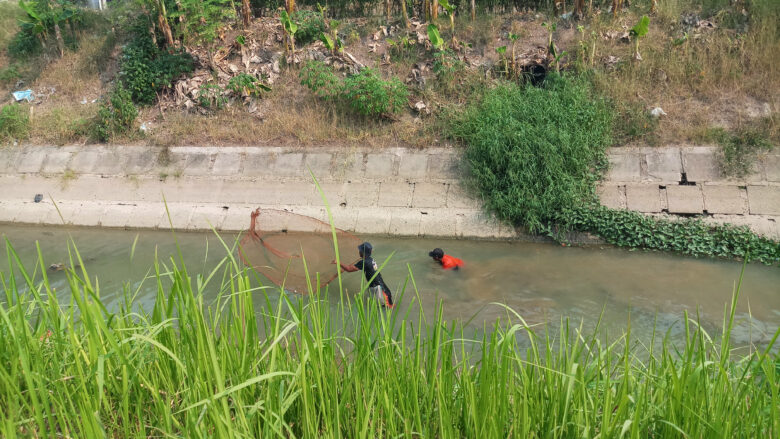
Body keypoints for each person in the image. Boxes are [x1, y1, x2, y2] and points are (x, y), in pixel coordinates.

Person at [333, 242, 394, 308]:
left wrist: (337, 262)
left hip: (378, 289)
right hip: (381, 286)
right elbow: (353, 267)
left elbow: (348, 269)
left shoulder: (364, 262)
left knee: (387, 307)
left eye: (360, 250)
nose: (359, 251)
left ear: (363, 252)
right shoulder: (370, 259)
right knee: (383, 306)